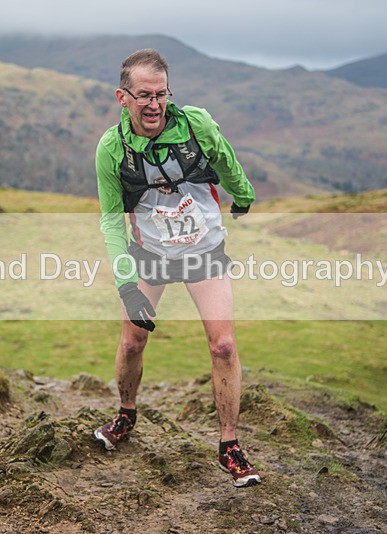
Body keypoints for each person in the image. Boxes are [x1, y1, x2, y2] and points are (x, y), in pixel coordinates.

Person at [93, 49, 260, 488]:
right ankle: (126, 415)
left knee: (223, 345)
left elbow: (224, 160)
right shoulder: (112, 149)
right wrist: (126, 285)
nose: (154, 104)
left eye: (161, 94)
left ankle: (230, 446)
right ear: (122, 97)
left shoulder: (197, 124)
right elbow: (111, 220)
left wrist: (243, 194)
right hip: (149, 256)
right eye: (143, 95)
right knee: (132, 342)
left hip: (204, 252)